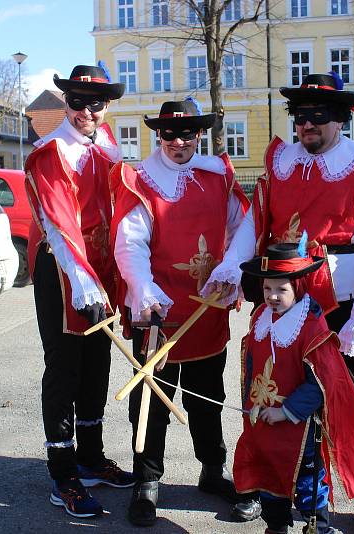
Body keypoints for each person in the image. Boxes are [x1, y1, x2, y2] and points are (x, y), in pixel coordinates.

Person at [204, 72, 354, 534]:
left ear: (341, 120)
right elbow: (255, 222)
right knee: (264, 390)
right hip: (281, 300)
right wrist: (232, 265)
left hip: (338, 308)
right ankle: (261, 485)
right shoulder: (280, 163)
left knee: (350, 401)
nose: (306, 126)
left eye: (318, 118)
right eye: (300, 117)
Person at [109, 99, 250, 527]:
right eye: (170, 134)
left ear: (199, 136)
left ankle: (212, 470)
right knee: (149, 399)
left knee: (208, 398)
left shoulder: (217, 175)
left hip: (207, 307)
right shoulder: (140, 180)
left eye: (187, 134)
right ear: (159, 136)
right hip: (157, 310)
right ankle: (147, 480)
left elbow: (243, 226)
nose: (178, 142)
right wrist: (144, 291)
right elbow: (129, 243)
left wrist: (232, 271)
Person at [23, 64, 134, 519]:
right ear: (65, 102)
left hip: (100, 268)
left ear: (107, 105)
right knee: (64, 367)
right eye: (78, 102)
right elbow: (57, 222)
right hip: (65, 269)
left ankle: (90, 458)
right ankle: (63, 475)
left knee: (97, 365)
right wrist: (83, 282)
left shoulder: (107, 145)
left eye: (97, 103)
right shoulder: (51, 152)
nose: (87, 111)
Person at [233, 240, 354, 534]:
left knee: (306, 484)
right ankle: (276, 525)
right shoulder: (259, 319)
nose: (272, 296)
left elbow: (320, 383)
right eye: (267, 288)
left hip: (299, 428)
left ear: (299, 286)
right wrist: (250, 402)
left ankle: (318, 527)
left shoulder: (310, 326)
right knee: (268, 477)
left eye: (281, 289)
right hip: (262, 424)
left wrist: (287, 412)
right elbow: (252, 367)